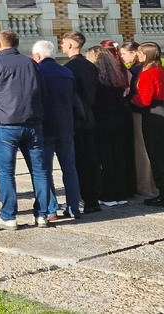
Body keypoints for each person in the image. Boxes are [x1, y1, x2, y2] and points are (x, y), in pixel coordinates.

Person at [0, 30, 49, 230]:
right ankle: (42, 214)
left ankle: (9, 216)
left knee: (6, 172)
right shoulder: (31, 63)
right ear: (16, 44)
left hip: (5, 124)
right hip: (32, 123)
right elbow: (43, 91)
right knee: (39, 171)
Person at [130, 42, 164, 207]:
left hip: (153, 113)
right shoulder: (163, 71)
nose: (138, 55)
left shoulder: (147, 73)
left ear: (146, 55)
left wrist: (131, 98)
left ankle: (163, 193)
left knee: (157, 153)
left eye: (140, 53)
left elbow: (145, 100)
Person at [32, 40, 82, 221]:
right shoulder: (66, 72)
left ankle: (51, 209)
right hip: (66, 125)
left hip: (45, 126)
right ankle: (74, 207)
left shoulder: (37, 72)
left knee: (45, 170)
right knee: (70, 169)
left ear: (38, 56)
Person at [85, 46, 132, 206]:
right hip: (117, 120)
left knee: (104, 157)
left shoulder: (96, 79)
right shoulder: (117, 77)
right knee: (117, 155)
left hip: (101, 120)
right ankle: (120, 192)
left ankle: (107, 194)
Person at [60, 31, 101, 215]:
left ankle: (86, 198)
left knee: (80, 162)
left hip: (77, 119)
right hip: (91, 116)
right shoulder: (91, 66)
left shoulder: (69, 68)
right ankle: (94, 198)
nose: (61, 46)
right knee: (91, 159)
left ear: (70, 45)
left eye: (63, 43)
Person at [121, 42, 158, 197]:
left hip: (138, 111)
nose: (122, 57)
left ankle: (144, 185)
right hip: (154, 112)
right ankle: (154, 184)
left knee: (141, 148)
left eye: (124, 54)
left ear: (134, 53)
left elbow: (140, 95)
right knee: (151, 147)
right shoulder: (153, 68)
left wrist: (131, 99)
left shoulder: (135, 71)